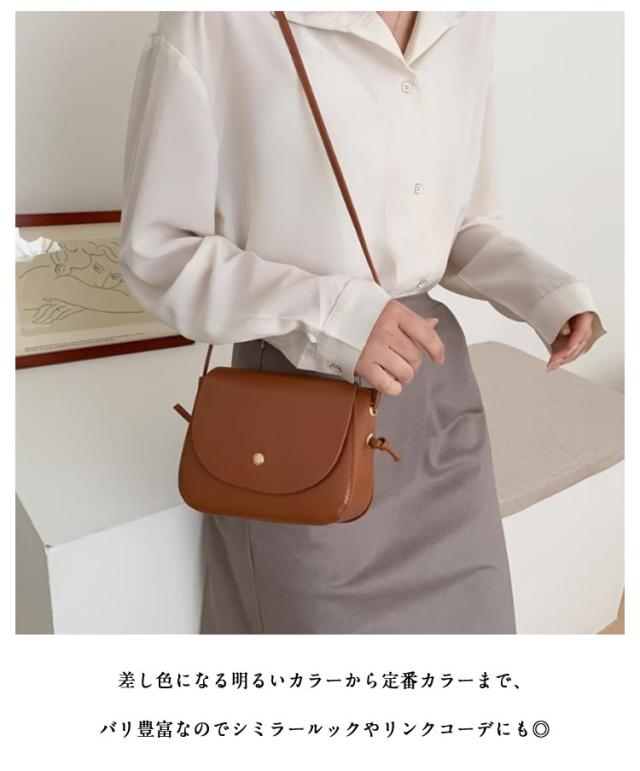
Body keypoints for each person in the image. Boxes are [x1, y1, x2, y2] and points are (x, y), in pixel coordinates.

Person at [119, 11, 606, 634]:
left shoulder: (468, 20)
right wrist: (336, 314)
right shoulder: (219, 20)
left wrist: (546, 293)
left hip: (434, 397)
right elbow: (158, 253)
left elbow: (456, 225)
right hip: (297, 406)